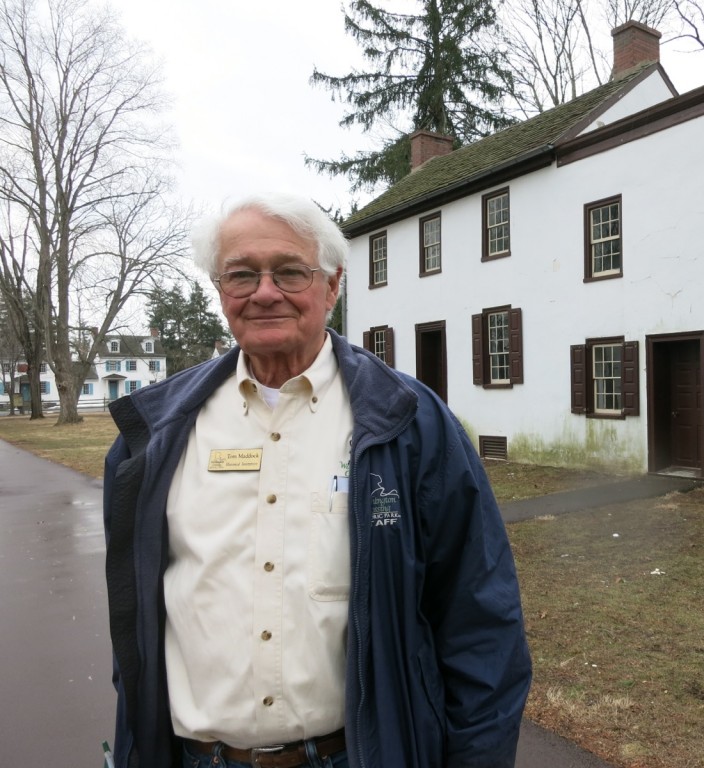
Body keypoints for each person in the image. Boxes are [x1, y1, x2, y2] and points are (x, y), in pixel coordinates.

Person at [103, 194, 532, 768]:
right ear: (220, 291)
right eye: (241, 275)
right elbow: (133, 629)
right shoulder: (152, 437)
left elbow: (480, 623)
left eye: (289, 271)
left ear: (333, 286)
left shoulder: (410, 424)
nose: (264, 292)